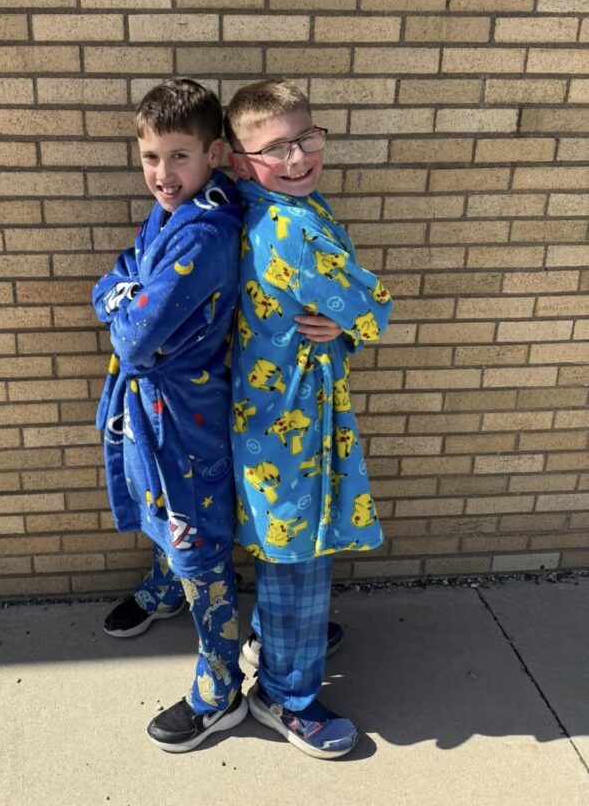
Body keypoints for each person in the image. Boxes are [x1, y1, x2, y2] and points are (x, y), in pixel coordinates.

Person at [225, 79, 393, 759]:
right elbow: (371, 303)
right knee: (299, 554)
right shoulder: (293, 230)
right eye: (274, 149)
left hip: (273, 413)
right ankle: (283, 696)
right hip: (291, 421)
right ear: (239, 161)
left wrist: (341, 326)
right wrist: (358, 320)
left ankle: (278, 637)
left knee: (285, 542)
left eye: (305, 139)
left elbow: (341, 311)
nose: (296, 158)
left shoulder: (265, 205)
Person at [93, 78, 247, 752]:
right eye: (151, 157)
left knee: (197, 536)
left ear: (213, 154)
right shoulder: (170, 213)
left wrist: (120, 302)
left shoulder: (204, 230)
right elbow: (115, 276)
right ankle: (164, 588)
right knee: (162, 504)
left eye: (179, 156)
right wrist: (122, 294)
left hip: (186, 415)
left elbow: (132, 337)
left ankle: (220, 684)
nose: (163, 173)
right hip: (154, 406)